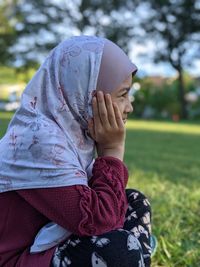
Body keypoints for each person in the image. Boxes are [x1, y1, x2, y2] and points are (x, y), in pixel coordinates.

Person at [0, 36, 152, 267]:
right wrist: (112, 150)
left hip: (46, 242)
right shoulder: (38, 138)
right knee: (117, 250)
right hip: (15, 258)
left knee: (135, 202)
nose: (129, 106)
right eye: (122, 94)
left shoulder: (71, 133)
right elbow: (97, 221)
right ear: (85, 90)